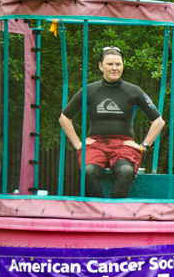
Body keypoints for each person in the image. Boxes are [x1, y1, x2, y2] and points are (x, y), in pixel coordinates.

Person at [59, 46, 165, 198]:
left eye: (118, 64)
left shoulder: (133, 90)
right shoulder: (89, 90)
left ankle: (114, 211)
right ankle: (98, 211)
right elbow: (64, 118)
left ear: (123, 65)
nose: (114, 68)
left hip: (123, 145)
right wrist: (77, 144)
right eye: (110, 64)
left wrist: (144, 146)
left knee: (126, 172)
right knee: (88, 172)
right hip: (95, 145)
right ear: (101, 66)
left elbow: (158, 121)